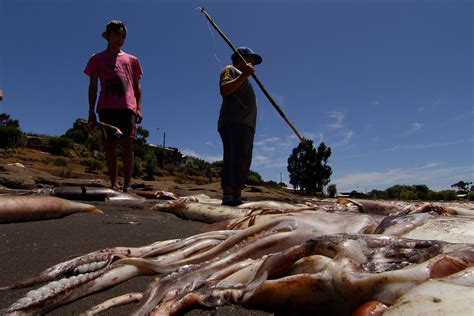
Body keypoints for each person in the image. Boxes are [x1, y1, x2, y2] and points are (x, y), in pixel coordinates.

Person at [84, 20, 143, 191]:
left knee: (127, 144)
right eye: (117, 34)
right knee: (110, 143)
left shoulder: (132, 60)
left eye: (123, 35)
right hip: (106, 107)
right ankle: (114, 182)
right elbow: (93, 85)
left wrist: (138, 107)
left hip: (127, 107)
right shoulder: (96, 59)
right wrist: (90, 111)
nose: (121, 38)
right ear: (108, 36)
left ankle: (127, 184)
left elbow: (137, 86)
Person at [218, 47, 262, 206]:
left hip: (247, 126)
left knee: (243, 160)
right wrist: (244, 75)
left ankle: (237, 194)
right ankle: (228, 194)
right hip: (233, 122)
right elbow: (224, 89)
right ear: (240, 58)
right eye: (250, 59)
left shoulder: (246, 78)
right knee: (233, 158)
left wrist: (246, 76)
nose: (252, 63)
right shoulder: (230, 70)